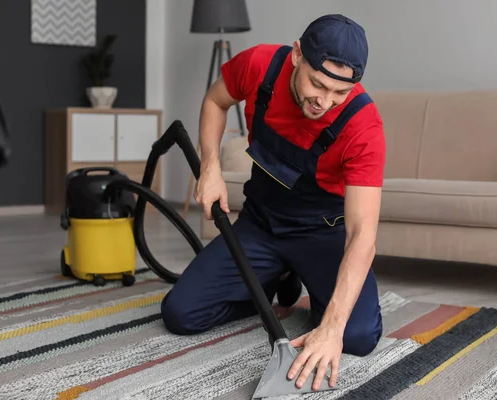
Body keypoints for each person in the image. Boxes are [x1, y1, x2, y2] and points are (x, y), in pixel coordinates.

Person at [160, 13, 386, 391]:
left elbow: (363, 232)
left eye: (339, 92)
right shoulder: (260, 66)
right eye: (318, 83)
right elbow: (215, 101)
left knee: (358, 336)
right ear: (297, 54)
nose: (324, 101)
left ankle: (307, 284)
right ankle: (275, 276)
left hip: (322, 235)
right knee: (180, 314)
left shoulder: (363, 126)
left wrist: (330, 327)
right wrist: (210, 168)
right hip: (260, 225)